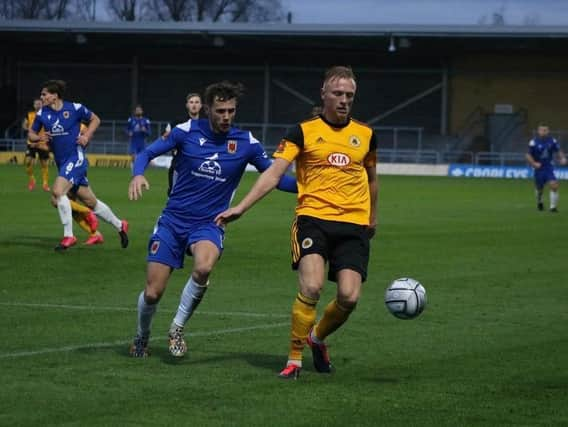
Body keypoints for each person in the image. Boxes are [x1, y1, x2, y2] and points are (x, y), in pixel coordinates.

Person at [216, 66, 378, 379]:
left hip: (354, 223)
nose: (344, 100)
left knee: (349, 296)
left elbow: (372, 179)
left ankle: (317, 338)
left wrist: (372, 217)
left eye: (349, 95)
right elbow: (274, 174)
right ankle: (294, 359)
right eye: (338, 94)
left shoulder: (367, 135)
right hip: (313, 219)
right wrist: (242, 207)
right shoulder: (302, 131)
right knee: (312, 286)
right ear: (324, 94)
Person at [127, 81, 297, 358]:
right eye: (220, 111)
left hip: (210, 223)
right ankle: (141, 336)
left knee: (204, 268)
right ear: (207, 109)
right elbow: (146, 153)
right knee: (153, 293)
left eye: (231, 110)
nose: (226, 116)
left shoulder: (247, 143)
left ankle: (177, 328)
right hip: (172, 221)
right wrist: (138, 173)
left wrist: (310, 187)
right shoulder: (185, 132)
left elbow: (275, 178)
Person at [28, 79, 129, 250]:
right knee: (89, 201)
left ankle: (69, 236)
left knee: (58, 192)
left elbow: (95, 119)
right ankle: (120, 225)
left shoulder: (74, 108)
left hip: (76, 158)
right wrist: (39, 138)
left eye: (44, 94)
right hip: (62, 162)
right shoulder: (42, 114)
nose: (41, 97)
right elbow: (31, 134)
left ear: (54, 96)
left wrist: (86, 136)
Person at [166, 93, 203, 196]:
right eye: (191, 102)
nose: (194, 105)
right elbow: (165, 140)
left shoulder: (207, 125)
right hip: (178, 168)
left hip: (199, 170)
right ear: (187, 105)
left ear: (201, 105)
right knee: (174, 198)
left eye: (197, 102)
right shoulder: (176, 123)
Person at [526, 123, 567, 212]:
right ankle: (539, 202)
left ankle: (553, 207)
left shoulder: (552, 141)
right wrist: (534, 163)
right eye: (541, 130)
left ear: (548, 131)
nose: (543, 132)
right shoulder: (533, 142)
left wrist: (563, 158)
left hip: (548, 167)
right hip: (538, 169)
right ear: (538, 131)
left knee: (554, 185)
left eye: (545, 130)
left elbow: (558, 150)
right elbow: (528, 155)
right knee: (539, 188)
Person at [22, 98, 50, 192]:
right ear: (34, 105)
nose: (38, 105)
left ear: (42, 104)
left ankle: (45, 184)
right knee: (28, 161)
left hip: (42, 142)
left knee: (44, 164)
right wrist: (28, 129)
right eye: (36, 104)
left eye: (39, 103)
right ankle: (32, 180)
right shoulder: (29, 114)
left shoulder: (46, 114)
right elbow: (24, 125)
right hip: (32, 142)